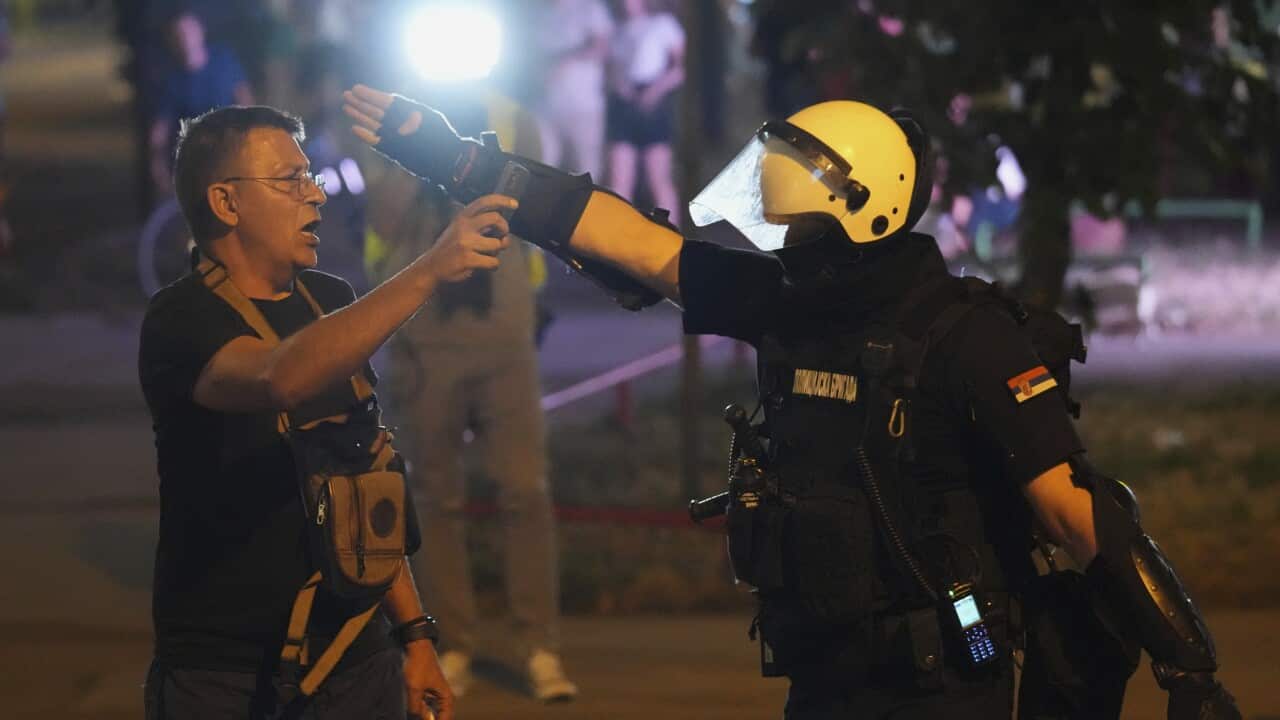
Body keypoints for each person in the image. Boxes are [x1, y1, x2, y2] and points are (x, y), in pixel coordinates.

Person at [342, 85, 1245, 719]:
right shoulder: (792, 299)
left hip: (947, 679)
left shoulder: (969, 333)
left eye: (794, 185)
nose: (775, 202)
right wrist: (457, 158)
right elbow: (634, 243)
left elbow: (1076, 509)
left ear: (859, 199)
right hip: (822, 671)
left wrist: (1188, 668)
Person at [138, 104, 518, 720]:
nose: (316, 194)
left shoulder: (331, 303)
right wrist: (429, 270)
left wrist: (415, 639)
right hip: (226, 675)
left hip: (358, 660)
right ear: (225, 203)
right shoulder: (180, 320)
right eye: (291, 180)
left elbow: (365, 476)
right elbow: (279, 376)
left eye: (311, 176)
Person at [362, 89, 577, 702]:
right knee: (436, 498)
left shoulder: (515, 119)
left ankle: (538, 646)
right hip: (425, 338)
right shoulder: (390, 118)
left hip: (504, 331)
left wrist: (479, 154)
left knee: (525, 490)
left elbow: (544, 217)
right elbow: (381, 220)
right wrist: (421, 152)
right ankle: (449, 643)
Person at [147, 10, 254, 204]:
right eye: (178, 35)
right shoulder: (171, 80)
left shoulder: (224, 60)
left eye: (189, 32)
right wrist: (157, 162)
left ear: (200, 32)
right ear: (172, 41)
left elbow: (245, 99)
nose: (185, 40)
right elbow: (160, 130)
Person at [605, 0, 685, 224]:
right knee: (620, 179)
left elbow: (678, 70)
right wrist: (619, 85)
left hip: (654, 102)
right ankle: (617, 236)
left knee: (658, 178)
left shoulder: (663, 24)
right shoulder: (617, 29)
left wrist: (655, 91)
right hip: (624, 103)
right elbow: (611, 70)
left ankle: (672, 234)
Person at [532, 0, 613, 178]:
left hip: (583, 105)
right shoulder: (540, 12)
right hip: (546, 106)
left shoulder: (590, 8)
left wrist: (565, 62)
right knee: (540, 163)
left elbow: (601, 47)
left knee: (585, 169)